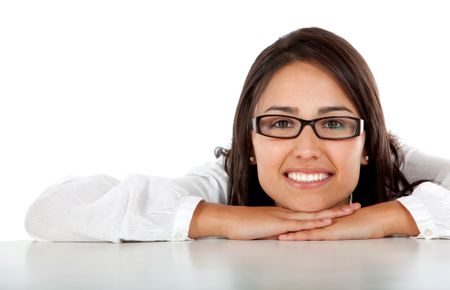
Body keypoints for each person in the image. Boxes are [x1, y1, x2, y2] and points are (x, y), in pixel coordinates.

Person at [25, 27, 450, 242]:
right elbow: (49, 209)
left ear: (365, 144)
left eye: (333, 123)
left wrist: (387, 218)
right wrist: (220, 219)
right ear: (248, 144)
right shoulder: (223, 181)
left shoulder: (394, 163)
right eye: (281, 124)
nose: (307, 149)